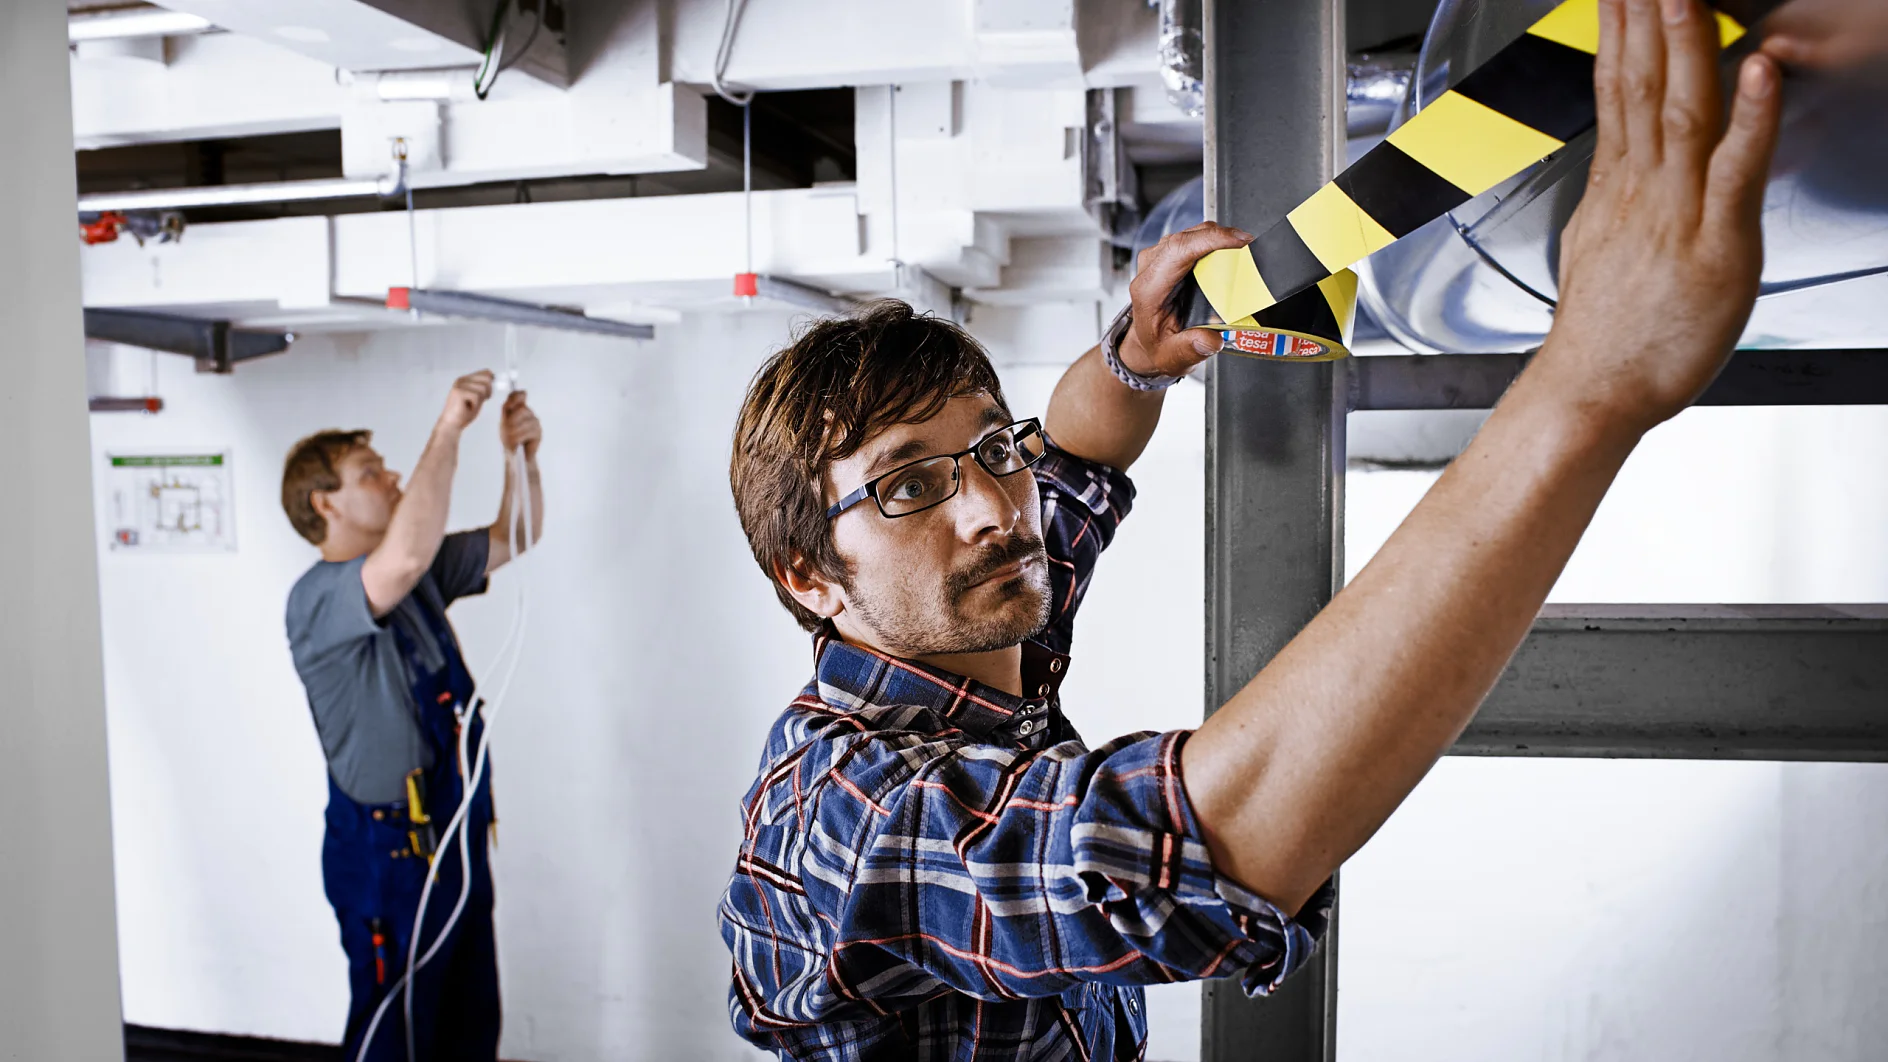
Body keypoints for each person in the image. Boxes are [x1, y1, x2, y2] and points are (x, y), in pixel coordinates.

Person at [718, 0, 1783, 1056]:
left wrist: (1135, 353)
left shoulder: (972, 621)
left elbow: (1076, 460)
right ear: (808, 574)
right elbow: (1206, 847)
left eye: (992, 448)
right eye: (907, 485)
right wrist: (1589, 383)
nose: (993, 506)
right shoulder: (844, 817)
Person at [280, 372, 543, 1062]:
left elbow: (515, 535)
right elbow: (400, 559)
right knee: (395, 1033)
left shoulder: (418, 573)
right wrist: (448, 430)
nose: (390, 476)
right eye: (369, 473)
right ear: (324, 505)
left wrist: (520, 455)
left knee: (466, 1019)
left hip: (452, 832)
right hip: (386, 853)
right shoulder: (318, 599)